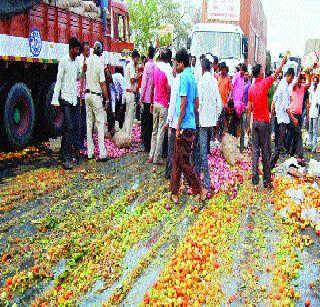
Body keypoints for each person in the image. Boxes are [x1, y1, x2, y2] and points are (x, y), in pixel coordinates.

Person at [170, 48, 207, 204]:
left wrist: (178, 127)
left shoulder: (184, 77)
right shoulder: (192, 77)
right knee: (177, 159)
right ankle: (174, 192)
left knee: (183, 161)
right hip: (190, 123)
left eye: (176, 64)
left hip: (184, 126)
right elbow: (196, 102)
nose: (175, 67)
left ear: (181, 63)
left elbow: (184, 104)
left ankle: (199, 188)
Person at [247, 56, 287, 188]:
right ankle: (267, 181)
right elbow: (276, 75)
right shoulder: (264, 84)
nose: (263, 73)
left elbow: (249, 109)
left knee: (255, 151)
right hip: (264, 122)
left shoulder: (252, 89)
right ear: (259, 73)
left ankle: (254, 178)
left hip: (255, 123)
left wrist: (248, 125)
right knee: (266, 151)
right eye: (262, 71)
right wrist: (282, 63)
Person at [51, 37, 82, 170]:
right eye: (76, 49)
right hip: (65, 99)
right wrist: (54, 99)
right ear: (71, 49)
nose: (77, 52)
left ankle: (66, 155)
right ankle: (65, 158)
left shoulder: (76, 63)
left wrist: (83, 71)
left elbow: (77, 78)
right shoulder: (63, 61)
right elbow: (58, 81)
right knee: (68, 126)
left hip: (74, 99)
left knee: (71, 127)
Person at [195, 58, 222, 191]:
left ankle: (206, 181)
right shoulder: (213, 80)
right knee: (202, 147)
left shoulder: (202, 80)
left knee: (203, 150)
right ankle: (197, 172)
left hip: (203, 120)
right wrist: (216, 117)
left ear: (202, 68)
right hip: (211, 120)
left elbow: (198, 99)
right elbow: (220, 103)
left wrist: (197, 112)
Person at [85, 41, 109, 162]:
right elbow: (102, 83)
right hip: (96, 95)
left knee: (89, 123)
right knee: (100, 124)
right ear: (101, 52)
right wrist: (107, 98)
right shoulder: (100, 62)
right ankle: (102, 153)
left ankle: (90, 152)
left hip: (87, 95)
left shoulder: (88, 61)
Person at [148, 49, 173, 165]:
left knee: (154, 130)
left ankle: (150, 155)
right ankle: (157, 157)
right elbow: (169, 88)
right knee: (161, 131)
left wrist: (152, 102)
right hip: (163, 104)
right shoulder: (168, 69)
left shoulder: (156, 67)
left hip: (156, 102)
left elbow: (153, 86)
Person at [270, 68, 297, 169]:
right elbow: (286, 107)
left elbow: (275, 97)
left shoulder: (282, 84)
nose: (291, 80)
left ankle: (294, 154)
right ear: (289, 76)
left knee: (295, 132)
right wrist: (293, 118)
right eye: (291, 78)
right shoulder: (284, 86)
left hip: (280, 117)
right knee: (279, 144)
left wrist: (272, 107)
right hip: (282, 118)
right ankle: (271, 163)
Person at [287, 72, 310, 160]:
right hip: (292, 115)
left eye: (301, 81)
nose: (300, 83)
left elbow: (309, 84)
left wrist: (308, 73)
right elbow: (296, 82)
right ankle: (299, 154)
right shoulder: (294, 88)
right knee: (298, 133)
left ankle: (291, 152)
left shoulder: (303, 89)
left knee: (295, 134)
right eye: (299, 81)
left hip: (299, 115)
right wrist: (300, 73)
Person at [74, 41, 90, 160]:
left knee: (84, 120)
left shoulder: (88, 60)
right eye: (86, 50)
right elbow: (79, 75)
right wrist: (83, 69)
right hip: (78, 93)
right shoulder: (79, 60)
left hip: (85, 93)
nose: (88, 52)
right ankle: (77, 144)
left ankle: (81, 142)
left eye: (89, 50)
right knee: (78, 120)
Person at [164, 62, 180, 180]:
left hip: (175, 122)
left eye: (173, 68)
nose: (172, 71)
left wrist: (168, 120)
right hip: (179, 122)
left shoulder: (176, 82)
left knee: (172, 149)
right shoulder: (182, 80)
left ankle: (169, 172)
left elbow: (173, 103)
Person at [140, 46, 156, 152]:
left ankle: (146, 144)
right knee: (151, 122)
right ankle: (151, 144)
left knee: (145, 122)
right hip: (153, 98)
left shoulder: (147, 66)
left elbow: (144, 82)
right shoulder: (155, 65)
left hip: (146, 98)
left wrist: (141, 97)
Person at [124, 50, 140, 137]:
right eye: (137, 59)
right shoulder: (131, 65)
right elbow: (132, 80)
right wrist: (138, 76)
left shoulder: (129, 65)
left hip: (128, 92)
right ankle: (128, 135)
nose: (138, 61)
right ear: (135, 58)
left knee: (128, 115)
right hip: (130, 92)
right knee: (129, 116)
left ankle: (127, 134)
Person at [230, 63, 246, 137]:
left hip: (239, 103)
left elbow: (242, 90)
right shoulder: (236, 75)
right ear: (241, 70)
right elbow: (232, 86)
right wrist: (231, 97)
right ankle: (231, 134)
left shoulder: (243, 78)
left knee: (237, 120)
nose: (243, 74)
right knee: (233, 119)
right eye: (243, 72)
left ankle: (235, 135)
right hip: (234, 101)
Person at [307, 76, 320, 153]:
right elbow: (309, 101)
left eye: (316, 81)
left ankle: (314, 147)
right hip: (311, 111)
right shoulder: (311, 89)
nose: (314, 82)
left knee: (315, 130)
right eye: (313, 81)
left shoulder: (318, 90)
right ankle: (310, 145)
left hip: (315, 112)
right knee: (310, 130)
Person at [240, 71, 251, 153]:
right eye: (244, 75)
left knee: (245, 126)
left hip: (246, 108)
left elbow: (250, 97)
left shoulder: (249, 85)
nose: (245, 76)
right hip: (239, 108)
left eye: (247, 75)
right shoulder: (240, 83)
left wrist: (248, 106)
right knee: (240, 127)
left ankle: (244, 145)